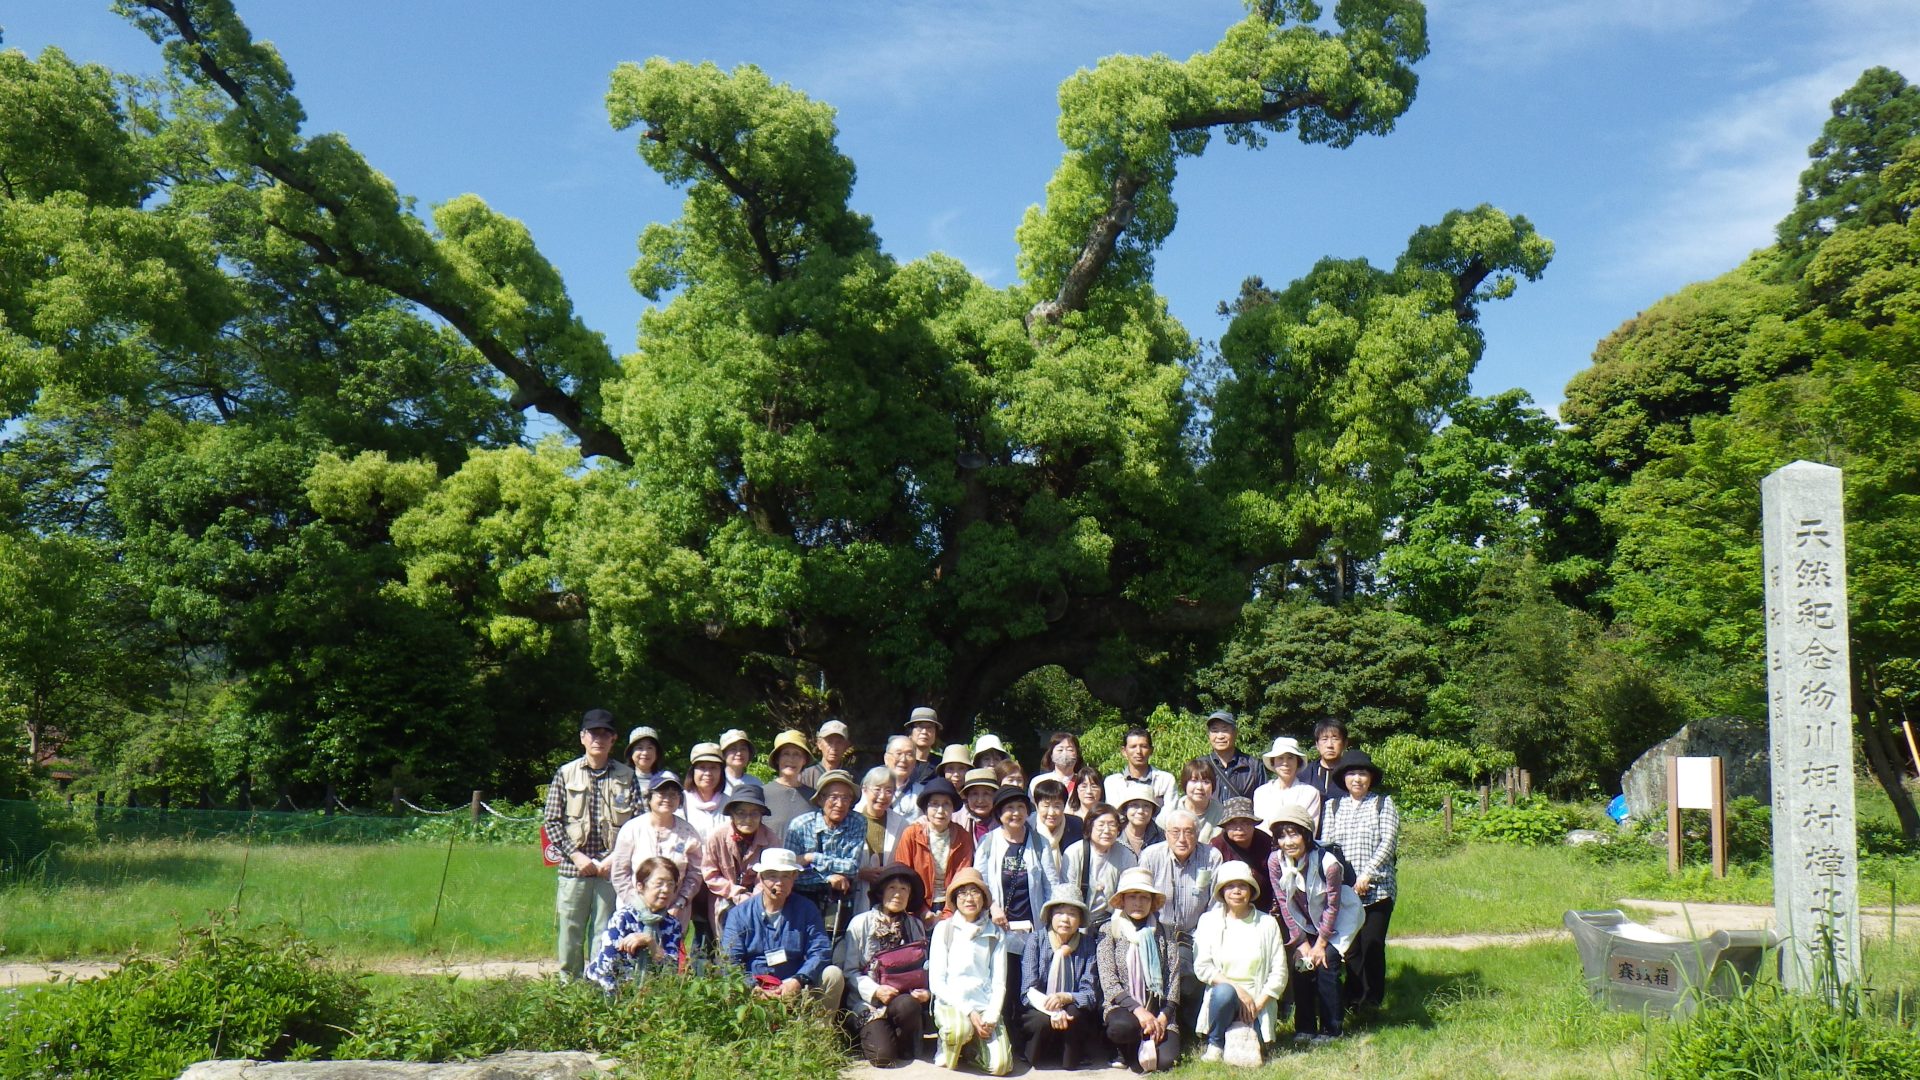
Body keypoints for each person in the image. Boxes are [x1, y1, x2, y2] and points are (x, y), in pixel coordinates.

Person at [542, 709, 639, 979]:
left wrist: (614, 859)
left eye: (605, 734)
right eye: (593, 733)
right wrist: (575, 856)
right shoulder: (565, 773)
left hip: (611, 870)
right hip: (574, 869)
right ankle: (568, 988)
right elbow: (551, 821)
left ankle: (598, 984)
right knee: (570, 931)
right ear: (583, 737)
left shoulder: (627, 776)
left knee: (604, 931)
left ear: (614, 739)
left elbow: (637, 824)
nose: (599, 738)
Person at [1266, 804, 1362, 1043]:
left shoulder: (1328, 863)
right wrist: (1300, 941)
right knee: (1302, 964)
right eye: (1282, 835)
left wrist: (1320, 944)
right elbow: (1283, 901)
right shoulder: (1275, 862)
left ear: (1306, 834)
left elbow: (1333, 905)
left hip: (1337, 918)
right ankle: (1305, 1027)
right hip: (1304, 920)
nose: (1288, 842)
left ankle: (1332, 1028)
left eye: (1293, 834)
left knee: (1326, 961)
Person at [722, 847, 845, 1011]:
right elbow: (730, 961)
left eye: (786, 876)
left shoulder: (806, 909)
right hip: (754, 988)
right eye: (772, 875)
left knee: (833, 974)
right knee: (728, 984)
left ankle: (817, 1032)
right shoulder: (739, 914)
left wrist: (797, 981)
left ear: (794, 877)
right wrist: (752, 987)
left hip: (796, 987)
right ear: (761, 877)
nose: (779, 882)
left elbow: (820, 950)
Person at [1322, 749, 1399, 1011]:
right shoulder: (1332, 806)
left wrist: (1368, 874)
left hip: (1377, 888)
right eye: (1352, 773)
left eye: (1362, 773)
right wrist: (1344, 880)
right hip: (1344, 888)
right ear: (1344, 777)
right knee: (1351, 948)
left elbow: (1388, 842)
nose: (1357, 779)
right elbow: (1329, 845)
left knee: (1372, 944)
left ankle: (1373, 1000)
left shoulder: (1383, 803)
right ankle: (1353, 999)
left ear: (1370, 778)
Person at [974, 785, 1056, 1027]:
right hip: (1000, 926)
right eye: (1009, 808)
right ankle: (1004, 1034)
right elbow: (980, 881)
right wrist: (993, 907)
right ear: (999, 813)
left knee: (1028, 982)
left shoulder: (1039, 843)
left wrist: (1049, 920)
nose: (1016, 813)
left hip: (1033, 928)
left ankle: (1024, 1038)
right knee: (1003, 982)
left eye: (1020, 807)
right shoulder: (989, 842)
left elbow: (1050, 883)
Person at [1192, 860, 1287, 1066]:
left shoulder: (1267, 923)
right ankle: (1215, 1043)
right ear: (1222, 891)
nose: (1237, 891)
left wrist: (1258, 1002)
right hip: (1223, 996)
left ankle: (1246, 1032)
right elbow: (1202, 966)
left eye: (1242, 886)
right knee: (1225, 992)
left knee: (1255, 1050)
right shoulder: (1208, 921)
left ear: (1251, 890)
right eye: (1230, 886)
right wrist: (1238, 991)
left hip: (1258, 999)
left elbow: (1279, 972)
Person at [838, 863, 932, 1067]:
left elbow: (923, 967)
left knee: (908, 1005)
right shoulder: (860, 923)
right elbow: (850, 971)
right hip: (870, 1003)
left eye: (904, 889)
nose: (898, 894)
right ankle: (876, 1035)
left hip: (904, 1000)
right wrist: (876, 991)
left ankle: (904, 1039)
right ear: (881, 893)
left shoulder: (915, 925)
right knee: (883, 1057)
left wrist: (926, 992)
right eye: (892, 888)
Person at [1141, 808, 1222, 1035]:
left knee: (1192, 976)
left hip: (1197, 931)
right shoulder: (1151, 855)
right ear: (1166, 834)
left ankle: (1189, 1029)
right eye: (1175, 832)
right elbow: (1142, 896)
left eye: (1188, 832)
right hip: (1157, 930)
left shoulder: (1211, 856)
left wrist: (1203, 935)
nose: (1182, 838)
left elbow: (1215, 902)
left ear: (1197, 834)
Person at [1098, 866, 1183, 1073]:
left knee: (1166, 1063)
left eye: (1144, 898)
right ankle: (1121, 1048)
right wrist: (1139, 1011)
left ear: (1152, 903)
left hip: (1159, 1009)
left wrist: (1163, 1015)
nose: (1138, 903)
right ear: (1123, 900)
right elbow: (1108, 978)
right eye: (1133, 896)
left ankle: (1143, 1042)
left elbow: (1173, 976)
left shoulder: (1165, 931)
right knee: (1122, 1028)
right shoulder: (1109, 930)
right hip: (1125, 1008)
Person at [929, 867, 1014, 1075]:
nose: (969, 898)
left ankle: (971, 1049)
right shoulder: (944, 929)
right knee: (958, 1032)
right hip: (953, 1003)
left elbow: (999, 981)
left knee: (1001, 1066)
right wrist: (969, 1011)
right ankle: (951, 1041)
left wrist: (992, 1016)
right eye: (963, 893)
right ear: (955, 898)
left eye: (975, 892)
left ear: (984, 898)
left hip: (984, 1004)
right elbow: (937, 983)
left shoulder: (995, 933)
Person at [1019, 886, 1102, 1070]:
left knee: (1074, 1014)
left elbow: (1090, 994)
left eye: (1072, 914)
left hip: (1072, 1005)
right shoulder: (1036, 940)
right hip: (1041, 1006)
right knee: (1041, 1021)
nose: (1065, 919)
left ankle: (1072, 1056)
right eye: (1059, 913)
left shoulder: (1088, 944)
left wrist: (1066, 997)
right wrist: (1053, 1010)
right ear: (1050, 916)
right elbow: (1027, 992)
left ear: (1080, 919)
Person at [608, 771, 703, 922]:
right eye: (661, 793)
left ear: (680, 799)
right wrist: (637, 904)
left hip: (674, 913)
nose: (667, 799)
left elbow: (695, 875)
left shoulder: (689, 833)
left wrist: (680, 903)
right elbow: (619, 873)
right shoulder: (632, 829)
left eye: (673, 794)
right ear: (649, 797)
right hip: (633, 911)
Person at [785, 768, 867, 938]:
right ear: (821, 799)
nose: (840, 803)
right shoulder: (799, 826)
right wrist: (828, 877)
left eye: (846, 798)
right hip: (802, 897)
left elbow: (851, 868)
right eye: (834, 797)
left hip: (840, 899)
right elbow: (789, 873)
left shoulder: (858, 822)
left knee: (835, 952)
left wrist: (811, 857)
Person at [586, 855, 687, 991]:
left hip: (649, 995)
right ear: (640, 886)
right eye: (659, 883)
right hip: (609, 990)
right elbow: (606, 967)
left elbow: (671, 972)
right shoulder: (623, 918)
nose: (665, 890)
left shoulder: (672, 924)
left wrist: (652, 944)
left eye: (670, 884)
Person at [700, 782, 781, 930]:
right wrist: (736, 893)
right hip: (724, 897)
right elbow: (710, 874)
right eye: (741, 813)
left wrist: (752, 900)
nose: (748, 819)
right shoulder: (717, 837)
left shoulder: (771, 840)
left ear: (762, 815)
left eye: (754, 813)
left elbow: (771, 876)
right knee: (727, 943)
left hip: (761, 898)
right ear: (732, 814)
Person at [896, 777, 975, 919]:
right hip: (915, 905)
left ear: (952, 809)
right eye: (934, 804)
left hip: (953, 906)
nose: (940, 810)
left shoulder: (963, 837)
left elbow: (962, 878)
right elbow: (904, 875)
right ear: (926, 808)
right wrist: (922, 911)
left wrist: (948, 913)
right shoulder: (911, 834)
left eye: (946, 804)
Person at [1061, 803, 1135, 929]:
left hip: (1113, 922)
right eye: (1101, 825)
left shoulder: (1126, 854)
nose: (1107, 830)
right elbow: (1068, 894)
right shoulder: (1074, 852)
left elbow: (1129, 892)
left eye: (1112, 825)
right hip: (1078, 921)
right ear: (1089, 828)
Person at [854, 765, 911, 910]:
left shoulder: (902, 824)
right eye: (877, 789)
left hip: (889, 896)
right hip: (854, 893)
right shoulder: (851, 818)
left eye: (888, 791)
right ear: (865, 790)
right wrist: (859, 873)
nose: (882, 796)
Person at [1209, 798, 1275, 911]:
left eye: (1245, 822)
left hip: (1264, 907)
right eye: (1233, 823)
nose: (1239, 828)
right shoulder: (1216, 847)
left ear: (1253, 824)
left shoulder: (1267, 843)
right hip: (1228, 908)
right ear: (1225, 825)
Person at [1251, 736, 1320, 833]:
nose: (1285, 763)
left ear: (1298, 762)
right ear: (1273, 762)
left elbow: (1309, 830)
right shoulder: (1261, 793)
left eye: (1290, 758)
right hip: (1266, 847)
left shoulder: (1310, 793)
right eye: (1280, 758)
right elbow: (1260, 829)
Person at [762, 730, 819, 837]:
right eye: (786, 754)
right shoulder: (762, 793)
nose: (791, 759)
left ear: (804, 760)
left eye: (797, 754)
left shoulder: (814, 797)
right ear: (777, 759)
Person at [1105, 727, 1177, 809]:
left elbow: (1169, 813)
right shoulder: (1112, 782)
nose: (1138, 751)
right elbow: (1115, 813)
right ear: (1124, 751)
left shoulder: (1166, 780)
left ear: (1151, 750)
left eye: (1143, 746)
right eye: (1133, 747)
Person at [1157, 758, 1224, 845]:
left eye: (1206, 782)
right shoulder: (1170, 810)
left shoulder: (1222, 813)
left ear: (1213, 786)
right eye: (1194, 781)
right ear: (1185, 784)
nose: (1199, 787)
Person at [1297, 719, 1349, 830]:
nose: (1330, 745)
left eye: (1335, 739)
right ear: (1317, 744)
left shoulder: (1352, 775)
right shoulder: (1304, 774)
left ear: (1345, 743)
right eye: (1324, 739)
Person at [1030, 777, 1085, 881]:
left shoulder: (1076, 825)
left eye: (1057, 806)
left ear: (1064, 806)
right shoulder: (1028, 827)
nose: (1051, 813)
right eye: (1045, 806)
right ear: (1036, 806)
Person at [1203, 711, 1263, 803]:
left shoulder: (1253, 766)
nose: (1220, 736)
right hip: (1211, 817)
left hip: (1243, 817)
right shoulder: (1201, 765)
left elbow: (1263, 801)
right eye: (1215, 731)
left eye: (1225, 730)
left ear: (1235, 733)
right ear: (1209, 735)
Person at [681, 742, 730, 838]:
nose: (708, 773)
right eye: (702, 767)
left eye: (713, 768)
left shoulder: (729, 803)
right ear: (692, 771)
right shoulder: (681, 801)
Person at [799, 718, 856, 788]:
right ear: (819, 744)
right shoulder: (806, 777)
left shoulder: (853, 778)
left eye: (839, 742)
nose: (834, 747)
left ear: (846, 746)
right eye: (829, 742)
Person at [1028, 731, 1083, 800]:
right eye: (1060, 750)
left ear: (1077, 754)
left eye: (1070, 750)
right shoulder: (1039, 781)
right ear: (1051, 755)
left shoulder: (1083, 781)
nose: (1065, 753)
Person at [883, 735, 925, 821]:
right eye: (898, 754)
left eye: (909, 754)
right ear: (886, 759)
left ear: (914, 762)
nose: (903, 759)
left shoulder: (922, 792)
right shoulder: (872, 787)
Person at [956, 767, 1001, 844]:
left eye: (986, 793)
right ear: (967, 797)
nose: (980, 800)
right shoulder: (956, 820)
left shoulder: (1003, 820)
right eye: (974, 794)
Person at [1115, 790, 1164, 857]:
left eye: (1146, 806)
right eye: (1134, 805)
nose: (1140, 811)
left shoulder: (1161, 836)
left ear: (1153, 811)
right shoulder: (1115, 833)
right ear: (1125, 810)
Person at [905, 706, 944, 785]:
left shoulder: (941, 765)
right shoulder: (901, 761)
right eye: (919, 727)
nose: (924, 732)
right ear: (910, 733)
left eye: (929, 727)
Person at [626, 725, 667, 792]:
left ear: (657, 753)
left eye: (650, 748)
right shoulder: (621, 779)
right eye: (639, 748)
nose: (645, 753)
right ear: (631, 753)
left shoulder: (666, 779)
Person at [718, 728, 756, 794]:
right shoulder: (715, 781)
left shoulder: (755, 783)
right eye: (733, 749)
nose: (739, 753)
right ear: (723, 755)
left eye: (743, 749)